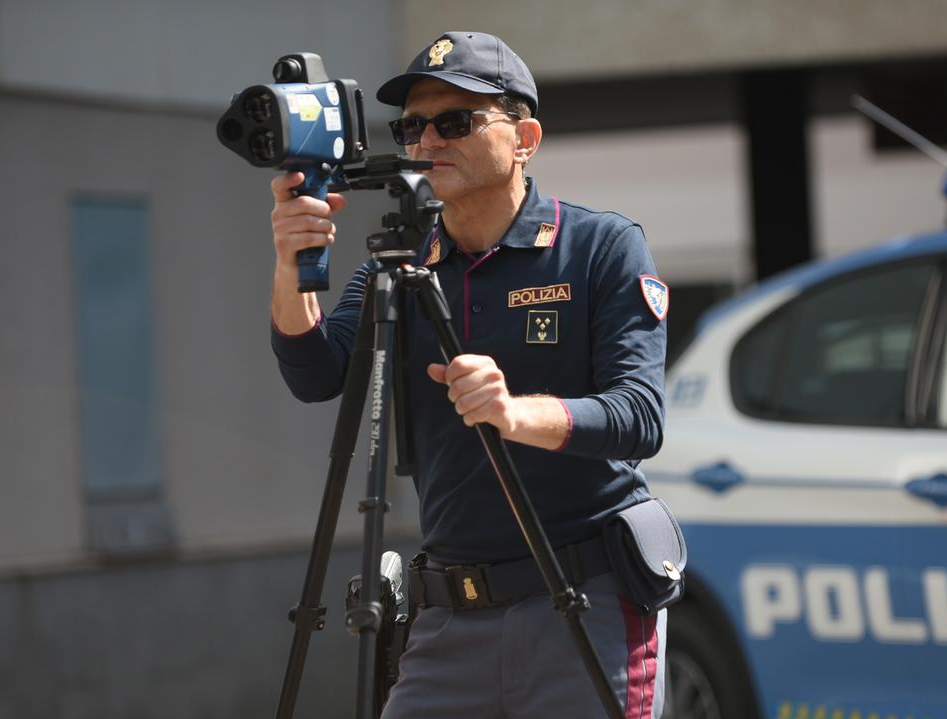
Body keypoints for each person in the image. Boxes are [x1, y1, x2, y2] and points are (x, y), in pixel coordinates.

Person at [268, 31, 669, 718]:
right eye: (413, 126)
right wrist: (290, 260)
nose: (428, 140)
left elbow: (639, 416)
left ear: (526, 138)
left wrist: (515, 413)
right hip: (448, 618)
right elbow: (315, 372)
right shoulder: (398, 265)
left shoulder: (599, 245)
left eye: (456, 121)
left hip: (583, 600)